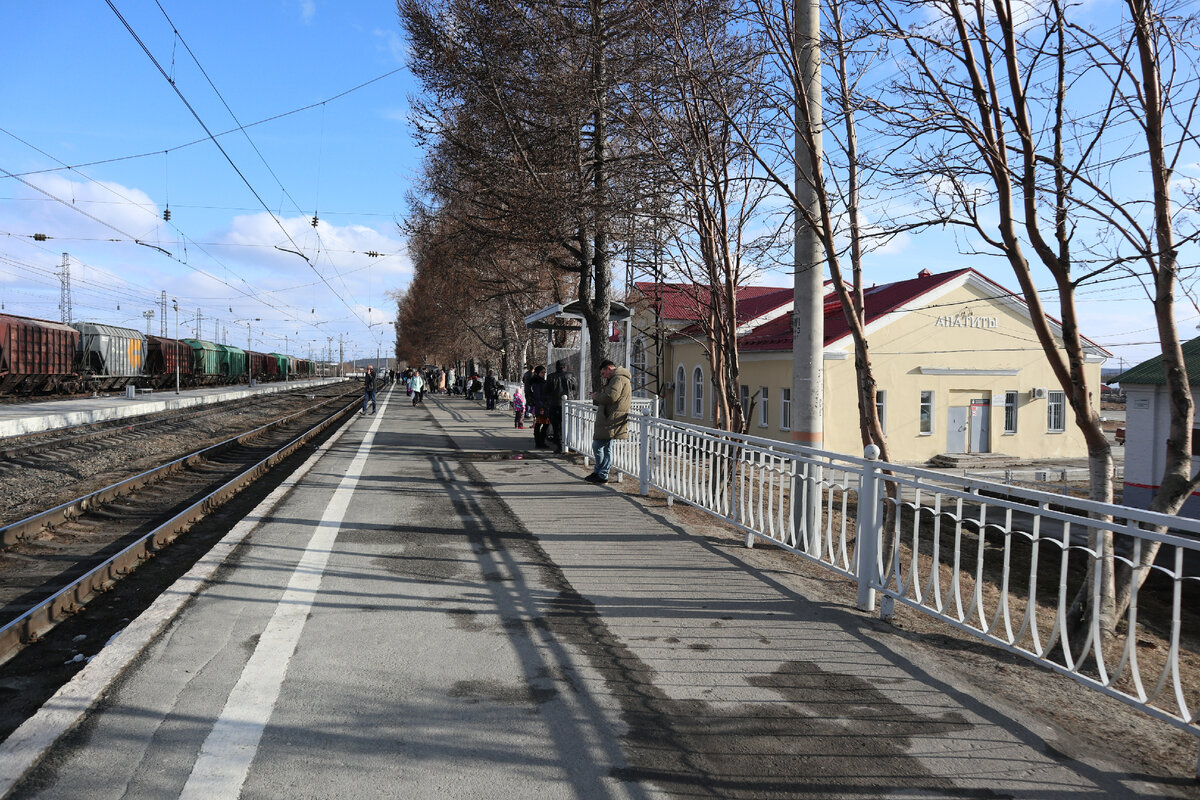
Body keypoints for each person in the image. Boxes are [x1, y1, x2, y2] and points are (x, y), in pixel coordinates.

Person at [585, 360, 631, 484]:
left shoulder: (618, 379)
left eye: (603, 372)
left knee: (599, 446)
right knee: (605, 447)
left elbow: (611, 397)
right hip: (610, 416)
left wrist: (597, 396)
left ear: (609, 368)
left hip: (611, 417)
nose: (603, 376)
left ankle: (602, 473)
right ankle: (599, 472)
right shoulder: (616, 379)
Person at [545, 360, 577, 452]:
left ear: (556, 367)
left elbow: (546, 390)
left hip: (554, 404)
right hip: (568, 404)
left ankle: (559, 446)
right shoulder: (571, 376)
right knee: (569, 425)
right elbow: (575, 388)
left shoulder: (551, 377)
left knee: (556, 426)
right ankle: (569, 444)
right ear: (565, 367)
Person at [529, 365, 549, 448]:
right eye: (542, 372)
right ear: (537, 373)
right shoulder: (537, 382)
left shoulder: (541, 381)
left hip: (544, 406)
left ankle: (540, 442)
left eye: (544, 372)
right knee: (540, 424)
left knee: (544, 424)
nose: (544, 374)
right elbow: (538, 396)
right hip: (541, 406)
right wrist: (541, 407)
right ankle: (539, 442)